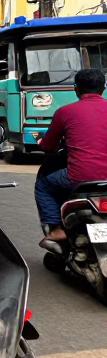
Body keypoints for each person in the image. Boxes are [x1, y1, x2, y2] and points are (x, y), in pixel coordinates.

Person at [35, 68, 107, 251]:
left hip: (80, 178)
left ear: (76, 89)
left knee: (43, 185)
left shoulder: (65, 112)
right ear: (103, 88)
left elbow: (49, 145)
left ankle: (57, 228)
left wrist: (42, 141)